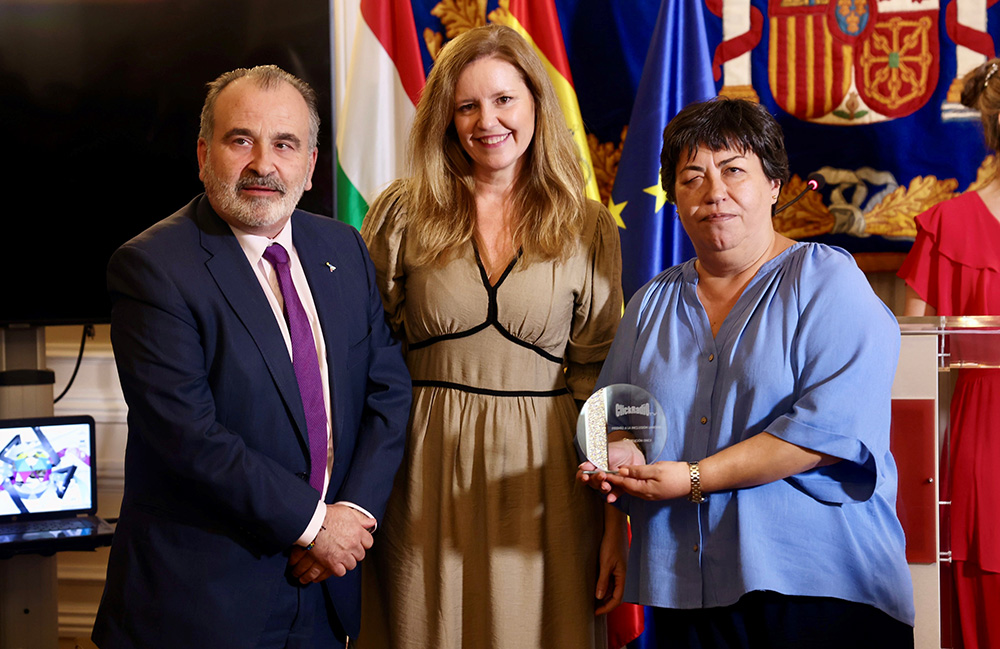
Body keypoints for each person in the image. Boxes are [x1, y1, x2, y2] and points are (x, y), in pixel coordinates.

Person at [92, 65, 411, 649]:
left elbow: (387, 392)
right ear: (203, 154)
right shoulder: (152, 268)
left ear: (311, 165)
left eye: (285, 144)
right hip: (203, 601)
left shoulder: (343, 247)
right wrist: (316, 526)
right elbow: (188, 436)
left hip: (324, 590)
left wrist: (352, 516)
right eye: (241, 140)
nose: (263, 164)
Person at [579, 97, 915, 648]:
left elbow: (822, 435)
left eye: (734, 170)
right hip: (688, 593)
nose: (715, 192)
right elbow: (613, 419)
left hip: (825, 590)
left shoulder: (828, 281)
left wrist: (691, 477)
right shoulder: (649, 304)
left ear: (775, 184)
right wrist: (616, 467)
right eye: (692, 177)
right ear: (674, 197)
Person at [358, 24, 626, 649]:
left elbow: (604, 380)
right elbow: (362, 358)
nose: (488, 120)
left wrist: (618, 521)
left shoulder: (587, 223)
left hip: (549, 480)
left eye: (505, 99)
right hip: (419, 470)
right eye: (468, 105)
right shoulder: (403, 210)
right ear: (446, 119)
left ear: (535, 101)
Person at [898, 58, 1000, 649]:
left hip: (975, 443)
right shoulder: (946, 225)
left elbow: (907, 376)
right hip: (978, 448)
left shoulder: (949, 223)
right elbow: (907, 379)